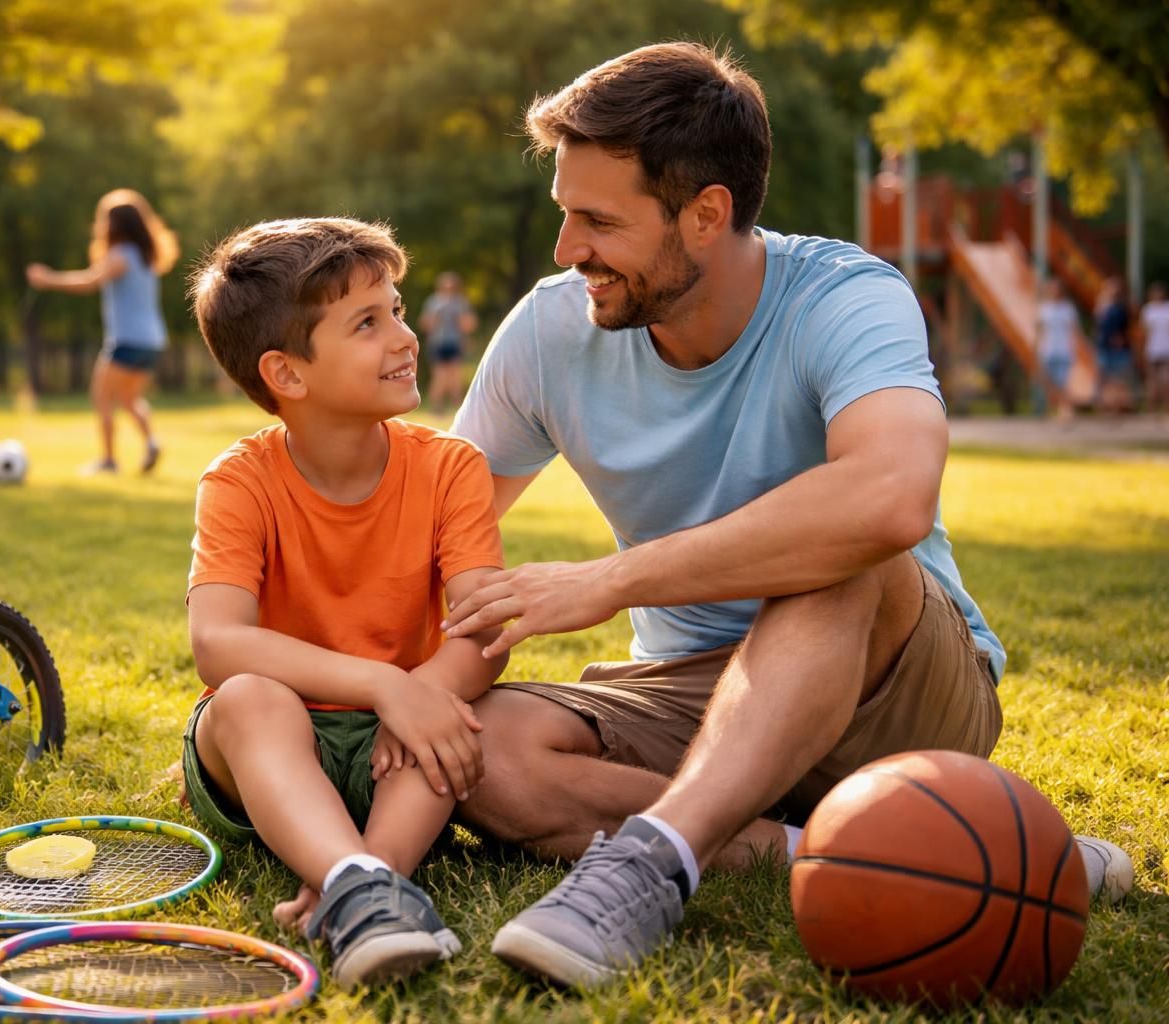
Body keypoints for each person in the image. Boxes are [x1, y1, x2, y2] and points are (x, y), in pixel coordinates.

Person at [434, 41, 1132, 987]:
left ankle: (650, 866)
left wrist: (612, 580)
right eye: (566, 215)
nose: (567, 252)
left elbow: (888, 499)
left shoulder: (846, 297)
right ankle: (894, 852)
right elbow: (439, 521)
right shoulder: (552, 328)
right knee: (489, 752)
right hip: (691, 688)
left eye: (597, 221)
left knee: (835, 550)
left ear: (706, 214)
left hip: (894, 681)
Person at [183, 218, 508, 987]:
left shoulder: (452, 468)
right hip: (266, 749)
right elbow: (218, 645)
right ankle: (360, 880)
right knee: (251, 696)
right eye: (368, 323)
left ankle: (364, 888)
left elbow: (482, 633)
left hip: (397, 741)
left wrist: (419, 694)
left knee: (451, 718)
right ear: (287, 375)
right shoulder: (239, 481)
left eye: (397, 309)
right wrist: (385, 684)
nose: (404, 337)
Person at [27, 189, 178, 473]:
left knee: (102, 397)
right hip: (152, 340)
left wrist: (47, 279)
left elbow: (89, 281)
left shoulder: (121, 255)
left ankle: (109, 460)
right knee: (130, 400)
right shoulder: (145, 257)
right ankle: (151, 442)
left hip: (127, 340)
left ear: (115, 224)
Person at [419, 271, 478, 412]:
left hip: (455, 342)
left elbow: (469, 325)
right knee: (439, 376)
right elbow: (425, 324)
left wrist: (466, 337)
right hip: (438, 343)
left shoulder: (460, 302)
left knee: (456, 376)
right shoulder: (433, 302)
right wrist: (435, 316)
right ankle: (437, 407)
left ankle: (458, 407)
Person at [1034, 277, 1079, 418]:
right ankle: (1053, 405)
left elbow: (1073, 331)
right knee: (1046, 380)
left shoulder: (1068, 309)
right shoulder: (1044, 309)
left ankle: (1066, 409)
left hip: (1064, 350)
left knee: (1063, 382)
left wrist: (1074, 348)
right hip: (1047, 350)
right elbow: (1040, 330)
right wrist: (1037, 347)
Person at [1093, 277, 1133, 412]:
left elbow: (1127, 326)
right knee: (1105, 377)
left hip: (1120, 348)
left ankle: (1119, 405)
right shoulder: (1103, 306)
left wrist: (1121, 338)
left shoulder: (1123, 306)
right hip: (1104, 346)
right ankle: (1106, 406)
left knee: (1119, 378)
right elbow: (1099, 323)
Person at [1141, 282, 1169, 414]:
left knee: (1166, 380)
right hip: (1153, 349)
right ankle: (1151, 409)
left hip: (1166, 348)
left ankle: (1165, 407)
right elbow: (1146, 332)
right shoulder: (1148, 310)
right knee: (1152, 380)